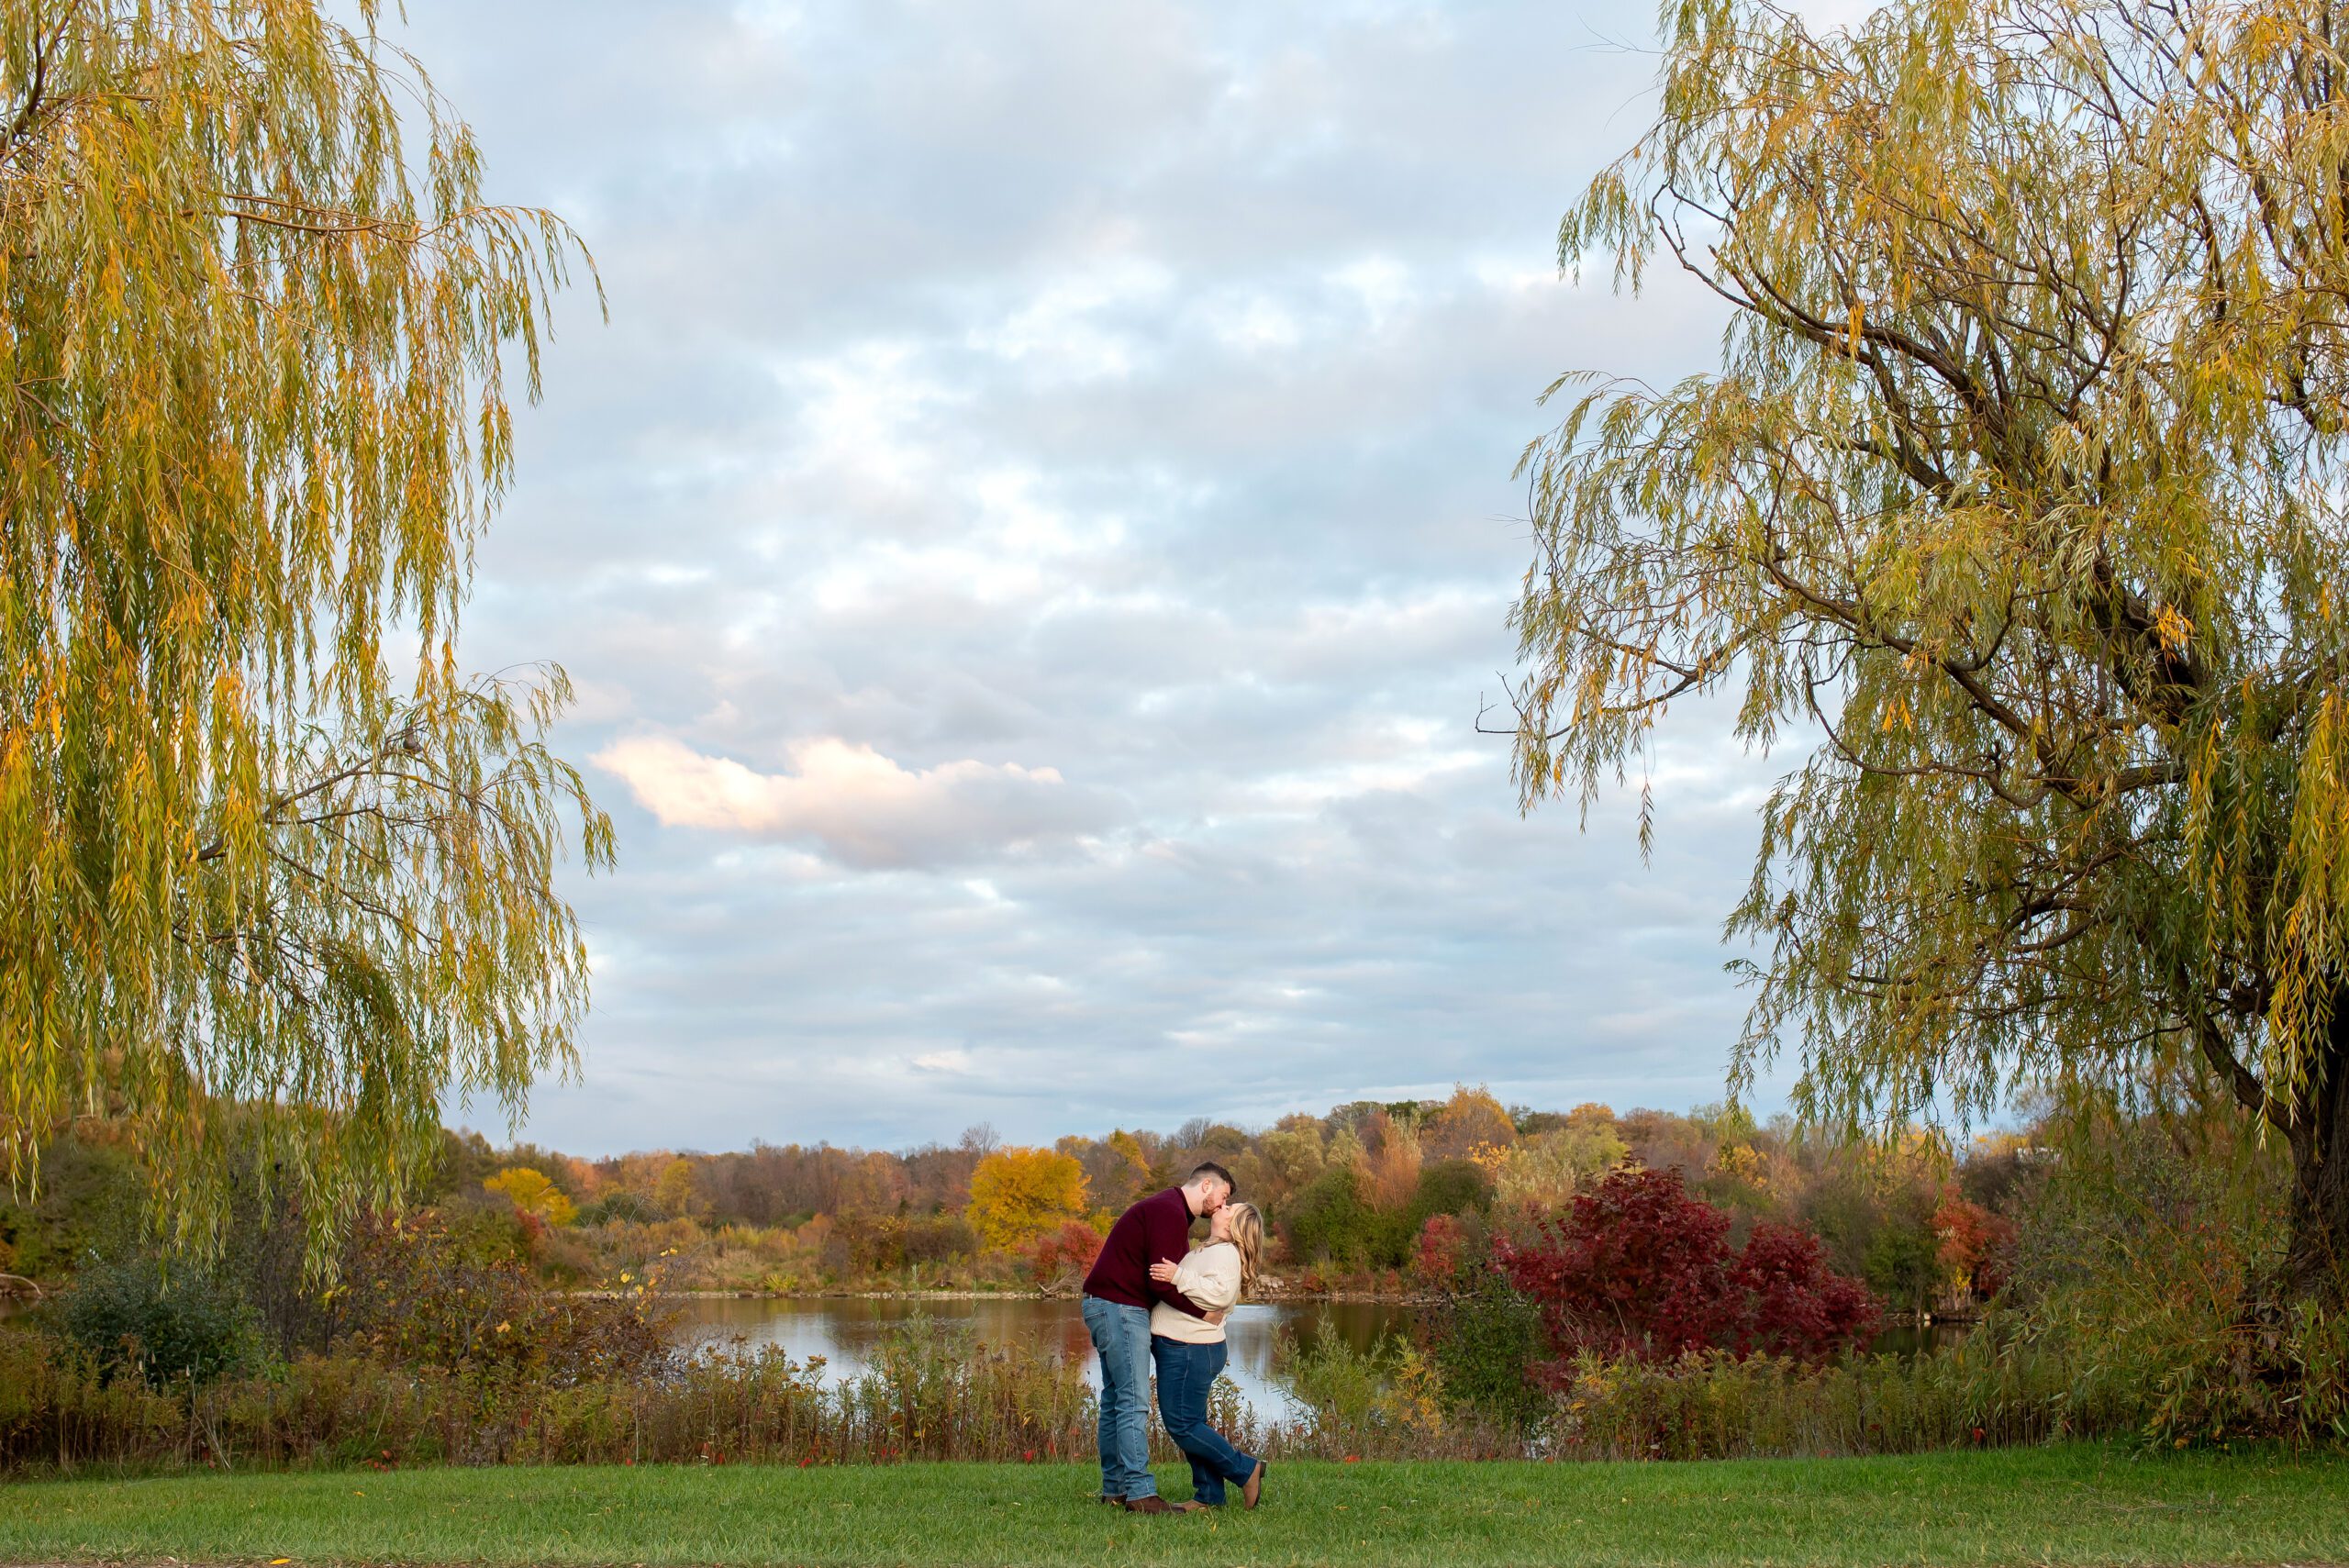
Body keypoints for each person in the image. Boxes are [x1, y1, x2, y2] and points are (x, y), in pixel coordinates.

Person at [1080, 1162, 1232, 1514]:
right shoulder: (1169, 1212)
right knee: (1134, 1401)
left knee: (1116, 1398)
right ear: (1206, 1185)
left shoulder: (1168, 1209)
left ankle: (1116, 1488)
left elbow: (1164, 1278)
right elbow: (1159, 1282)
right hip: (1119, 1307)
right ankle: (1140, 1493)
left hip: (1105, 1305)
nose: (1223, 1207)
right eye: (1223, 1197)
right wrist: (1204, 1314)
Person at [1147, 1200, 1268, 1510]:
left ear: (1233, 1227)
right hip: (1187, 1346)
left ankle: (1245, 1469)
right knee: (1193, 1423)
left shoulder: (1226, 1253)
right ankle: (1209, 1495)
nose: (1223, 1206)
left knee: (1182, 1424)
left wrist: (1178, 1276)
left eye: (1230, 1208)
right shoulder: (1210, 1250)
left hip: (1191, 1349)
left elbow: (1221, 1295)